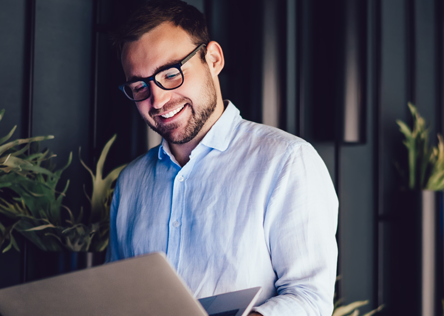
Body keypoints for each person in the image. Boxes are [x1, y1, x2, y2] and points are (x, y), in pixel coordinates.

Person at [107, 1, 338, 315]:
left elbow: (311, 299)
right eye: (139, 85)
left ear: (212, 59)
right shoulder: (131, 182)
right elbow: (118, 297)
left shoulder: (287, 162)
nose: (157, 99)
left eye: (171, 74)